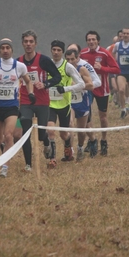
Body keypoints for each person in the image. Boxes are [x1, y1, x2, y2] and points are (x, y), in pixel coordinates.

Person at [0, 38, 34, 177]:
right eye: (3, 48)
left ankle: (4, 167)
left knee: (9, 135)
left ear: (12, 50)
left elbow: (28, 82)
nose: (5, 50)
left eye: (8, 48)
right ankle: (6, 151)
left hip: (12, 107)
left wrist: (31, 93)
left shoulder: (19, 66)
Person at [17, 30, 61, 171]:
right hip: (25, 102)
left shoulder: (43, 60)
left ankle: (47, 142)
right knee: (25, 132)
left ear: (35, 44)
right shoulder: (18, 62)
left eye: (31, 42)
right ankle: (28, 164)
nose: (28, 44)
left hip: (42, 101)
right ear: (23, 43)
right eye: (26, 41)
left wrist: (46, 84)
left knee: (41, 134)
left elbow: (57, 77)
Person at [80, 31, 120, 156]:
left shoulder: (104, 53)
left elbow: (117, 69)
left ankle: (104, 140)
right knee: (86, 117)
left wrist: (102, 68)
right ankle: (92, 140)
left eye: (93, 39)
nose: (91, 42)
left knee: (103, 117)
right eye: (89, 40)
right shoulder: (83, 54)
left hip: (102, 89)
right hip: (88, 89)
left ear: (98, 41)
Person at [47, 40, 85, 169]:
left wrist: (66, 89)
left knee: (63, 134)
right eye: (54, 50)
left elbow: (81, 84)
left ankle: (68, 143)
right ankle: (52, 159)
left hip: (64, 105)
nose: (56, 52)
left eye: (59, 50)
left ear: (62, 52)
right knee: (50, 131)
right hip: (50, 104)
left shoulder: (67, 66)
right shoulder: (46, 65)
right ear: (51, 51)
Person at [66, 43, 101, 157]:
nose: (70, 61)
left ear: (77, 57)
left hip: (83, 100)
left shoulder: (83, 68)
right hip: (69, 101)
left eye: (72, 59)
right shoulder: (63, 69)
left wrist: (77, 85)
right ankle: (69, 151)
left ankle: (84, 145)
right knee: (70, 124)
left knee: (83, 129)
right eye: (68, 59)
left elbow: (93, 84)